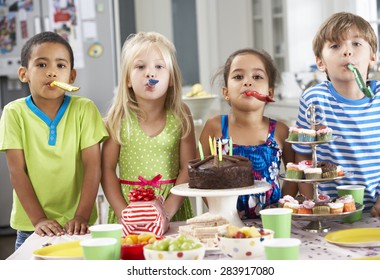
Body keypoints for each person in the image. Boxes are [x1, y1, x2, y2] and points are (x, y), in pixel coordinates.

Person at [0, 31, 108, 250]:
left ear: (71, 76)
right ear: (24, 74)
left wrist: (81, 215)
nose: (51, 72)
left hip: (77, 225)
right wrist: (39, 219)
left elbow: (92, 166)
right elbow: (17, 172)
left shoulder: (84, 109)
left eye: (60, 66)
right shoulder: (13, 113)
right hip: (32, 227)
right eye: (41, 65)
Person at [291, 12, 380, 224]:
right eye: (335, 46)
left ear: (373, 55)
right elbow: (303, 159)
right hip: (331, 213)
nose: (347, 51)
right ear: (320, 62)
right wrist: (312, 204)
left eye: (357, 43)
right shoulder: (314, 99)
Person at [101, 32, 196, 223]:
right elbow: (107, 169)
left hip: (171, 208)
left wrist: (167, 211)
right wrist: (123, 213)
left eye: (159, 66)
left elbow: (187, 168)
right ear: (128, 79)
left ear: (171, 79)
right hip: (128, 208)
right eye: (140, 66)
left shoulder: (181, 115)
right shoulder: (119, 117)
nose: (150, 73)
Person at [198, 48, 297, 219]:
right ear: (226, 92)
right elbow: (199, 177)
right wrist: (219, 210)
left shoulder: (281, 131)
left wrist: (281, 207)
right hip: (225, 223)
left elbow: (295, 175)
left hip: (271, 223)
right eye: (238, 77)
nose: (247, 82)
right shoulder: (215, 127)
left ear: (270, 93)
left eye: (257, 77)